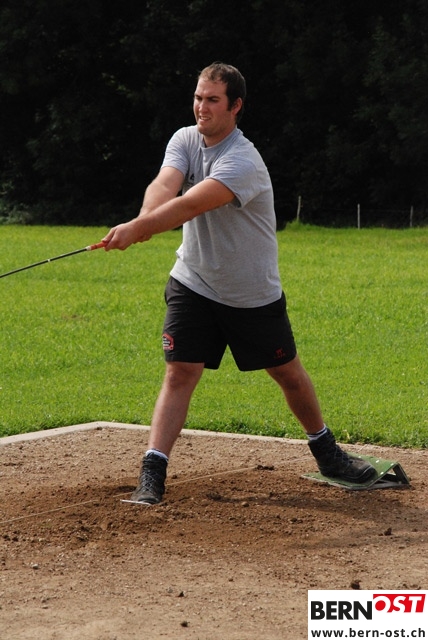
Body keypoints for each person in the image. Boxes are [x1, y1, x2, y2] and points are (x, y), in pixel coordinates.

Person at [102, 62, 376, 505]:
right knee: (180, 372)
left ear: (235, 107)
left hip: (250, 293)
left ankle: (328, 453)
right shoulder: (184, 139)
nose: (202, 107)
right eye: (198, 97)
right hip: (193, 280)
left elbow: (190, 205)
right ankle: (152, 473)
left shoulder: (242, 160)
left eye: (213, 100)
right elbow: (165, 185)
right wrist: (142, 220)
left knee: (286, 373)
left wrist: (140, 229)